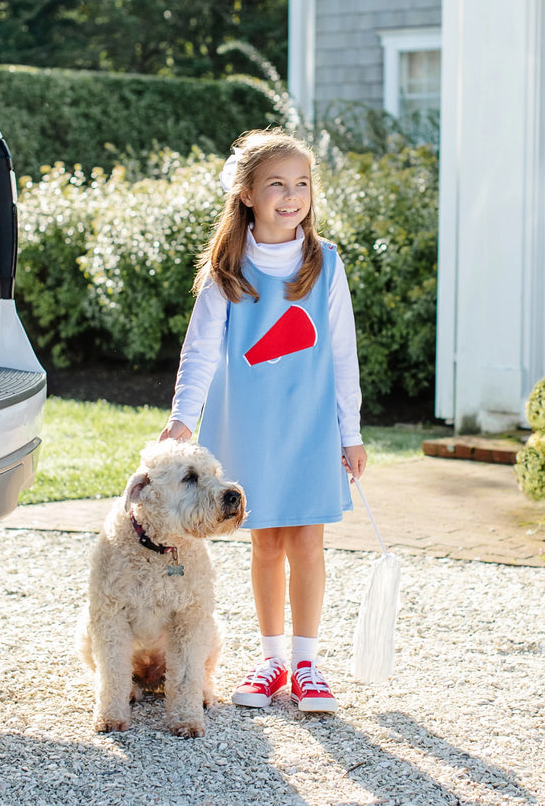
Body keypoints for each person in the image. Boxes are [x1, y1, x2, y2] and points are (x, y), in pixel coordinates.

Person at [159, 129, 366, 714]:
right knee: (267, 542)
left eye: (302, 184)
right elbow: (199, 352)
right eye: (277, 184)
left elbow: (343, 353)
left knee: (308, 541)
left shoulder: (324, 264)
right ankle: (272, 659)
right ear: (247, 193)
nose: (291, 195)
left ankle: (307, 664)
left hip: (310, 427)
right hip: (248, 424)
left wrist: (349, 432)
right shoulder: (227, 269)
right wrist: (182, 418)